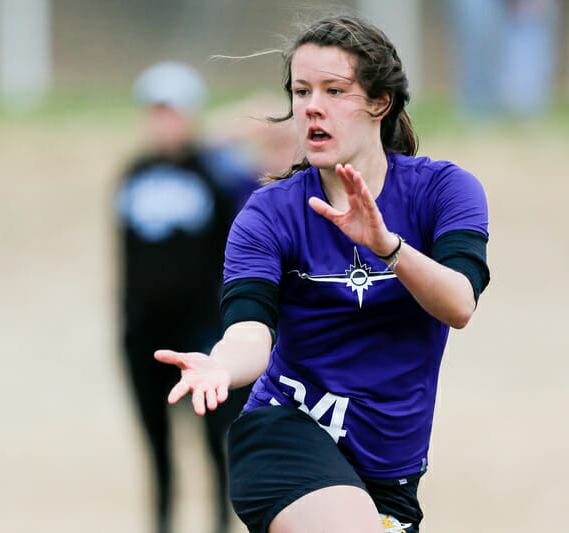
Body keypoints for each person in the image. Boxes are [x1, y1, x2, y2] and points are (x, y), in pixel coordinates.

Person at [155, 16, 490, 533]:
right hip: (284, 433)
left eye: (335, 90)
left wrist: (388, 247)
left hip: (390, 471)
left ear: (380, 102)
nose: (311, 105)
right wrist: (222, 366)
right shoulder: (270, 213)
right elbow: (250, 330)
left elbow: (459, 304)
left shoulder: (444, 192)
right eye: (301, 91)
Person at [116, 61, 256, 533]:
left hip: (201, 330)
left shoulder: (217, 175)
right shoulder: (132, 174)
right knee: (156, 443)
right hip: (144, 332)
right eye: (156, 112)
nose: (163, 122)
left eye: (173, 112)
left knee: (218, 440)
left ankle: (222, 522)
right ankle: (162, 522)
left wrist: (218, 136)